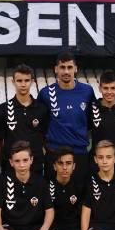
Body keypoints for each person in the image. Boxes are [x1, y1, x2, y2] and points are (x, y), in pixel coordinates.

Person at [38, 52, 95, 185]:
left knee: (80, 197)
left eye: (69, 67)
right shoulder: (46, 94)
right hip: (54, 154)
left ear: (76, 69)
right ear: (56, 69)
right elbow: (41, 124)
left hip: (80, 154)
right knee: (52, 198)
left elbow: (90, 122)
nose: (66, 71)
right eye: (62, 67)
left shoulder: (87, 91)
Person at [0, 64, 50, 175]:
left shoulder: (42, 109)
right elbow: (0, 141)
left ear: (32, 81)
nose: (23, 84)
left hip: (35, 166)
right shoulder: (3, 109)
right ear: (13, 82)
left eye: (26, 80)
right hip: (11, 167)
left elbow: (45, 138)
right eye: (19, 81)